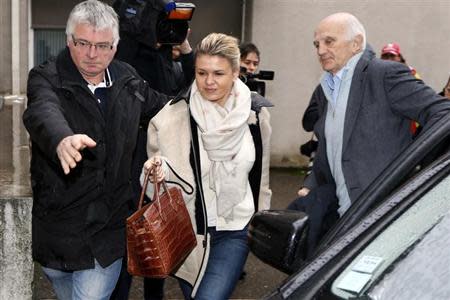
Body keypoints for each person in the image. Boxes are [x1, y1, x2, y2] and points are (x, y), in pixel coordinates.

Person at [22, 1, 168, 299]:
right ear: (68, 40)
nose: (92, 54)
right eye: (83, 43)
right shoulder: (46, 77)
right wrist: (61, 139)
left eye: (102, 45)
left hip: (107, 234)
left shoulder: (128, 79)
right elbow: (42, 110)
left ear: (115, 46)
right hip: (57, 233)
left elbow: (168, 107)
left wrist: (227, 95)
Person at [289, 12, 450, 257]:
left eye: (329, 41)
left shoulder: (384, 74)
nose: (320, 50)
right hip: (340, 217)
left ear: (356, 43)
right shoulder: (327, 88)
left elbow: (442, 113)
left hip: (380, 217)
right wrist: (312, 183)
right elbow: (330, 144)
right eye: (316, 44)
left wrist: (419, 170)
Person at [141, 33, 272, 300]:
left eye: (218, 73)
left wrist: (261, 219)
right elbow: (157, 184)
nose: (209, 82)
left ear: (236, 72)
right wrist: (156, 169)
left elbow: (263, 176)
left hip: (235, 230)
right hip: (188, 234)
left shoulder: (256, 115)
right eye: (201, 73)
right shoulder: (173, 115)